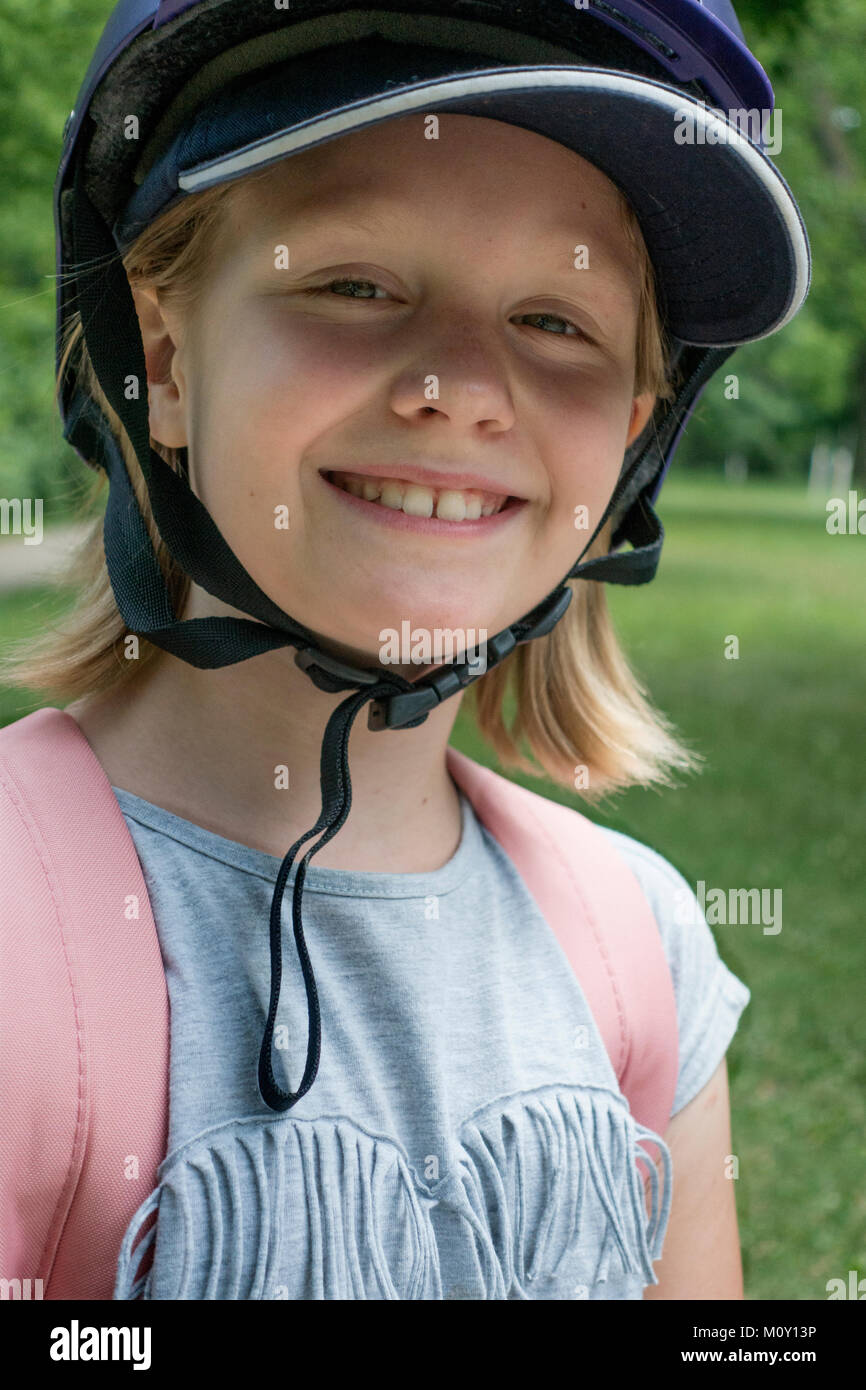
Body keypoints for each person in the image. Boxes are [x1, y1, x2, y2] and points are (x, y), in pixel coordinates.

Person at [0, 0, 810, 1300]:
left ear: (630, 436)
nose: (461, 385)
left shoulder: (637, 949)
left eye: (559, 321)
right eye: (355, 285)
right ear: (163, 351)